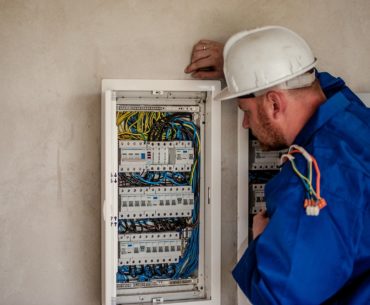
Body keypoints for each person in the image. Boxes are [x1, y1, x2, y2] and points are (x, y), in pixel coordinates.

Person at [185, 26, 370, 304]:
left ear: (274, 103)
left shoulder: (313, 180)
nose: (246, 124)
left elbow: (282, 297)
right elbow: (316, 81)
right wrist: (242, 68)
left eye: (245, 112)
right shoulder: (353, 116)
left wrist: (263, 240)